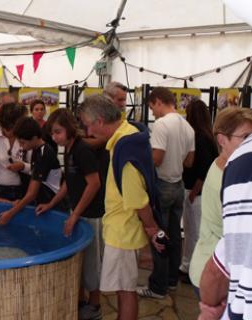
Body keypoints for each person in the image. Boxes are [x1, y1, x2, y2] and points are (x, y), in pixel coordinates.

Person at [78, 94, 164, 320]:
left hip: (124, 231)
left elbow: (137, 199)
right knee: (123, 287)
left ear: (98, 121)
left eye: (88, 126)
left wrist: (152, 229)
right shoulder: (129, 135)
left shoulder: (124, 149)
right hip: (123, 227)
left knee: (125, 290)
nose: (88, 133)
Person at [37, 108, 104, 320]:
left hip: (91, 214)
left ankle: (95, 306)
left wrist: (75, 215)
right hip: (79, 211)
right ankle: (82, 300)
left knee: (92, 262)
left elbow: (94, 183)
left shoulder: (82, 150)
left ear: (68, 129)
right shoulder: (69, 149)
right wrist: (51, 203)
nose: (55, 137)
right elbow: (68, 183)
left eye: (58, 132)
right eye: (52, 133)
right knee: (82, 261)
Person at [199, 123, 252, 320]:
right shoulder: (236, 162)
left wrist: (209, 309)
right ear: (222, 139)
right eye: (245, 135)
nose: (249, 138)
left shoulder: (244, 159)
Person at [189, 108, 252, 293]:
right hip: (217, 276)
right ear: (222, 140)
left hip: (215, 269)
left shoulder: (230, 166)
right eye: (246, 137)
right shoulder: (229, 178)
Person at [137, 87, 195, 299]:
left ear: (159, 101)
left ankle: (157, 287)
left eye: (152, 108)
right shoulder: (187, 126)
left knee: (158, 237)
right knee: (173, 236)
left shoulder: (161, 124)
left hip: (162, 185)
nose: (152, 113)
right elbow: (189, 162)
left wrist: (141, 165)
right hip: (178, 184)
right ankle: (171, 280)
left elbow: (157, 158)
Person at [0, 117, 65, 226]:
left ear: (34, 138)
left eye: (23, 143)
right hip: (44, 203)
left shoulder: (44, 154)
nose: (21, 146)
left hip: (54, 206)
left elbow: (31, 194)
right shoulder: (36, 150)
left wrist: (10, 214)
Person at [179, 100, 218, 281]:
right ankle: (189, 265)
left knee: (193, 232)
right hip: (199, 192)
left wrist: (193, 193)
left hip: (196, 192)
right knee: (193, 231)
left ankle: (191, 269)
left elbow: (203, 170)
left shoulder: (199, 138)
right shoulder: (207, 136)